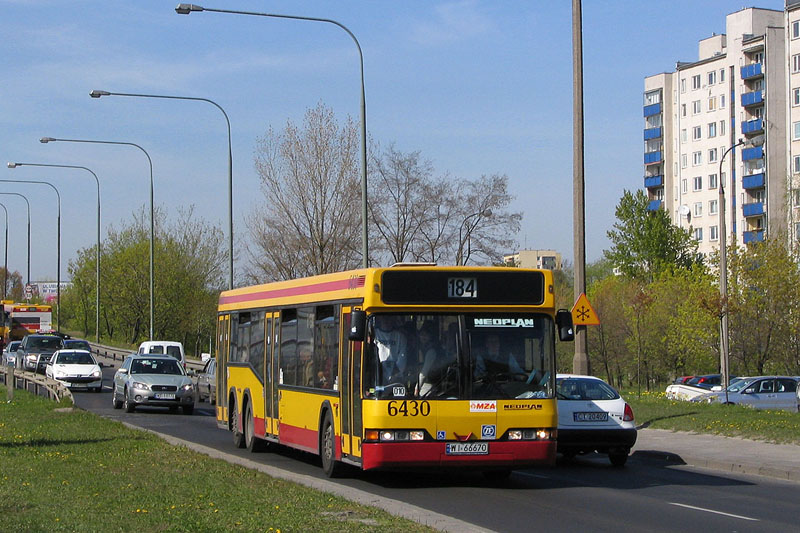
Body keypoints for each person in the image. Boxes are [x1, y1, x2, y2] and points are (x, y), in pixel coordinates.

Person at [372, 315, 409, 384]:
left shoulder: (400, 336)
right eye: (383, 318)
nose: (386, 321)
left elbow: (402, 358)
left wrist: (395, 375)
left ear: (393, 319)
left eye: (388, 318)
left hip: (396, 378)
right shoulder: (374, 334)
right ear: (379, 319)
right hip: (378, 375)